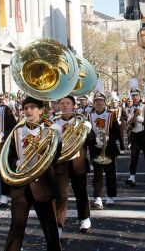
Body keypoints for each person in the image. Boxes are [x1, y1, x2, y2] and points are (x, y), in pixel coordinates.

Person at [4, 96, 62, 251]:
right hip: (21, 184)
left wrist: (58, 139)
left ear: (41, 110)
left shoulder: (49, 130)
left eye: (32, 107)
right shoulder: (16, 132)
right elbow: (8, 157)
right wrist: (15, 162)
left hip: (42, 183)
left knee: (50, 227)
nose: (28, 110)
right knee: (16, 225)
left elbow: (55, 157)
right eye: (25, 108)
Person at [53, 95, 92, 234]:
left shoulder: (80, 120)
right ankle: (59, 224)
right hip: (60, 163)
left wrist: (88, 130)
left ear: (73, 105)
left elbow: (90, 141)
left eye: (68, 103)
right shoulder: (54, 121)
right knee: (61, 194)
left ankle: (85, 218)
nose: (64, 106)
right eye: (62, 103)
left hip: (77, 161)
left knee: (80, 191)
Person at [88, 92, 121, 208]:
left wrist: (108, 138)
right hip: (96, 149)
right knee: (97, 174)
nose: (99, 102)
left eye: (101, 100)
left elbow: (117, 132)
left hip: (109, 148)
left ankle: (111, 196)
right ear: (94, 102)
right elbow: (87, 133)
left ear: (104, 102)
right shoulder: (89, 116)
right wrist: (94, 140)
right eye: (96, 100)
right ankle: (98, 197)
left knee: (110, 173)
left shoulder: (111, 115)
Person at [125, 88, 145, 186]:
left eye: (136, 95)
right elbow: (128, 124)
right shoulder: (129, 108)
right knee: (133, 157)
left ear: (139, 96)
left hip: (144, 134)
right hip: (135, 135)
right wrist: (131, 121)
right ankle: (132, 176)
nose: (134, 97)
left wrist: (142, 119)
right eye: (132, 96)